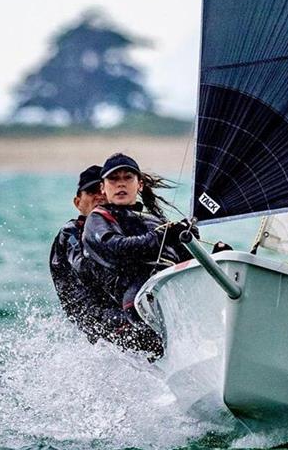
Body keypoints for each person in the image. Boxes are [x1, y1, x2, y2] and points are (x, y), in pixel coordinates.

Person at [81, 152, 194, 360]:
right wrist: (162, 237)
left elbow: (186, 261)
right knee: (137, 305)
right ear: (102, 188)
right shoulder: (97, 220)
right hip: (132, 302)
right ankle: (159, 357)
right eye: (113, 179)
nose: (120, 184)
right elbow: (116, 249)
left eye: (128, 178)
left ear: (139, 184)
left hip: (168, 293)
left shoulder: (154, 220)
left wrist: (209, 250)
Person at [49, 165, 139, 348]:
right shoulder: (71, 233)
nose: (99, 196)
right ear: (77, 202)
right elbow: (84, 268)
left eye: (101, 189)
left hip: (120, 306)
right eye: (91, 192)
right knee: (141, 322)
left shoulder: (122, 229)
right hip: (91, 315)